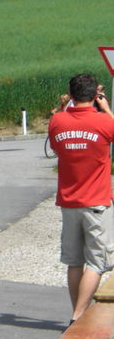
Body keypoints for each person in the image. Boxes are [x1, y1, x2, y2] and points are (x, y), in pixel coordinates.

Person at [48, 73, 114, 325]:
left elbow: (55, 146)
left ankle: (77, 312)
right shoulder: (103, 122)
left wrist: (66, 107)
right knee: (97, 263)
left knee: (74, 262)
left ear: (72, 94)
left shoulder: (57, 120)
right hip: (96, 202)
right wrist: (106, 108)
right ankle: (78, 315)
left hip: (68, 201)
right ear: (94, 95)